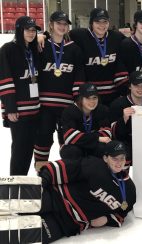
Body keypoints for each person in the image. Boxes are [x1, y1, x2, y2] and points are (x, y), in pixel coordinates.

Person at [36, 140, 136, 243]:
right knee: (22, 203)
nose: (119, 162)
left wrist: (108, 219)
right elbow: (64, 167)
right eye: (115, 158)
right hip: (55, 198)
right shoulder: (94, 165)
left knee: (26, 234)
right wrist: (42, 182)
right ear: (105, 158)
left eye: (122, 158)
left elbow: (122, 213)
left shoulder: (130, 191)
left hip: (69, 223)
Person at [34, 11, 85, 162]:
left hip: (66, 106)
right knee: (43, 140)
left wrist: (77, 103)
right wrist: (39, 36)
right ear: (51, 24)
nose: (62, 27)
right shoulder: (41, 46)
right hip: (44, 106)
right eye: (59, 23)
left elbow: (79, 76)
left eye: (65, 24)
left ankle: (67, 175)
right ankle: (42, 174)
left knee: (67, 141)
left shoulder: (74, 49)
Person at [0, 16, 41, 175]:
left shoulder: (34, 49)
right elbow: (5, 80)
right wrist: (10, 108)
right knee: (19, 150)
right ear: (19, 30)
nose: (31, 33)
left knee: (29, 149)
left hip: (35, 110)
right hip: (18, 112)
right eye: (27, 30)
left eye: (33, 30)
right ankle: (16, 183)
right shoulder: (7, 50)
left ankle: (23, 182)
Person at [109, 71, 142, 162]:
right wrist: (123, 119)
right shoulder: (117, 105)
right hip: (128, 144)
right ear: (130, 86)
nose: (140, 89)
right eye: (136, 85)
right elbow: (114, 135)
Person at [60, 83, 111, 160]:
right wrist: (97, 138)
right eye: (88, 98)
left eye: (94, 98)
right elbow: (69, 137)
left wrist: (80, 137)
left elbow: (107, 134)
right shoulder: (69, 111)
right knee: (71, 151)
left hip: (93, 146)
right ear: (80, 98)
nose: (92, 101)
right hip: (75, 147)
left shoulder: (102, 110)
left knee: (103, 148)